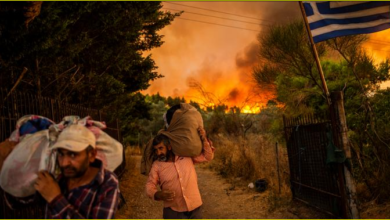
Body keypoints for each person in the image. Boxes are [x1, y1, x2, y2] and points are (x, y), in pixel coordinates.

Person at [34, 124, 119, 219]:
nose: (64, 163)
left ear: (91, 155)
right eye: (61, 154)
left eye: (73, 155)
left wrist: (55, 199)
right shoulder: (56, 176)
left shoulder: (107, 183)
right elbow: (23, 199)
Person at [145, 127, 214, 219]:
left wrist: (204, 138)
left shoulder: (186, 156)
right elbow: (149, 185)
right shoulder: (157, 165)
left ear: (169, 147)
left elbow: (208, 156)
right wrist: (157, 194)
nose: (158, 153)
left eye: (161, 148)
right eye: (156, 150)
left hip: (195, 206)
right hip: (173, 211)